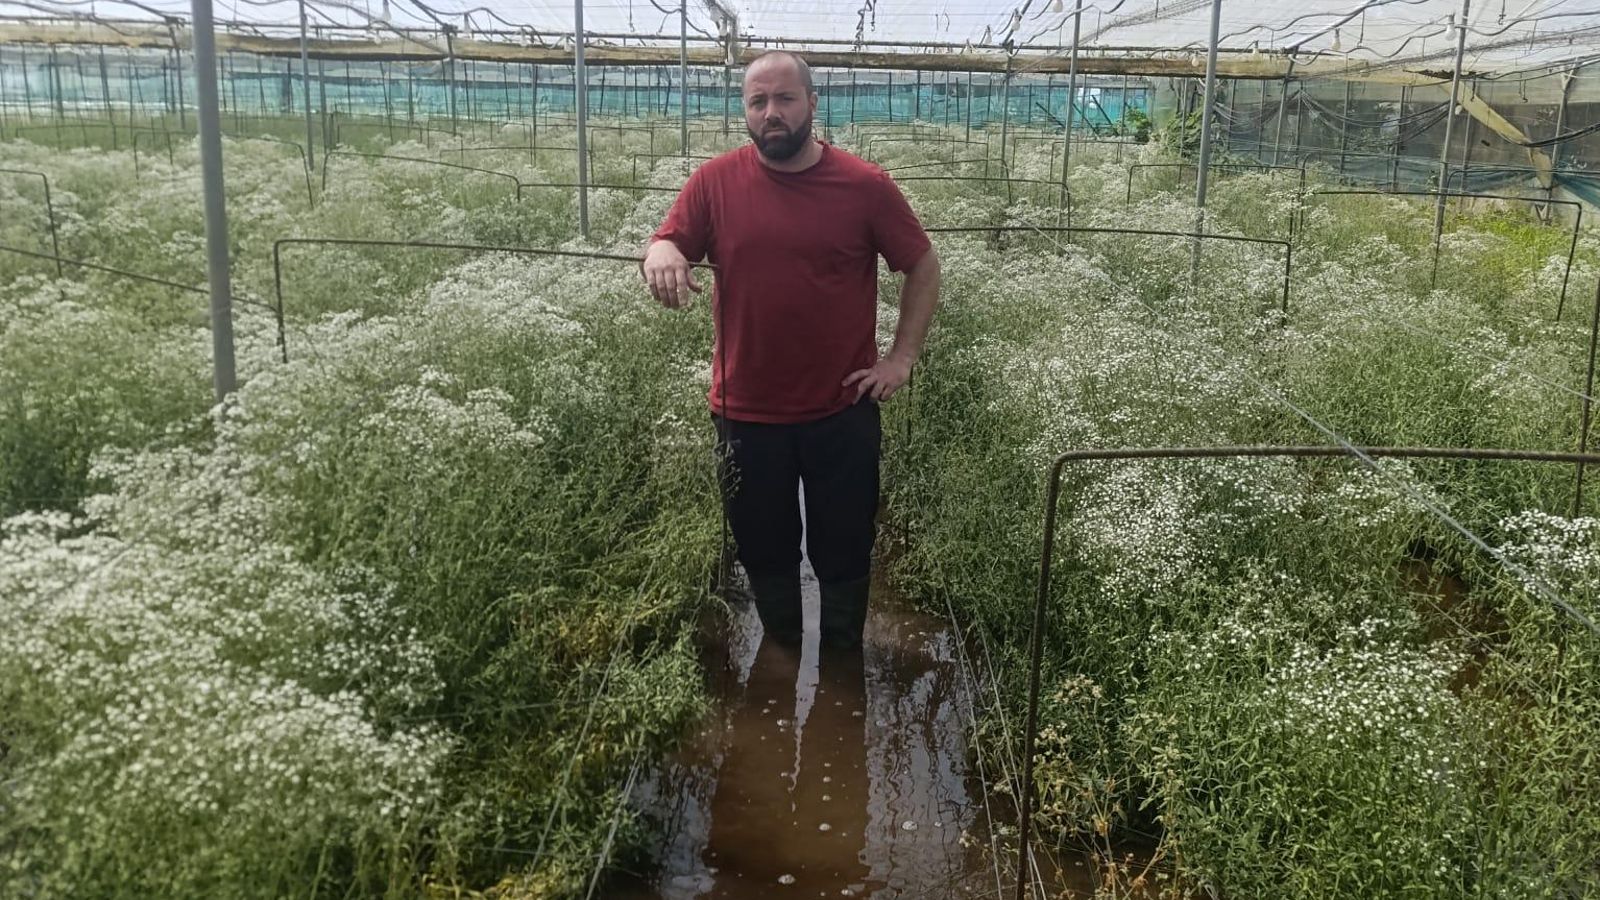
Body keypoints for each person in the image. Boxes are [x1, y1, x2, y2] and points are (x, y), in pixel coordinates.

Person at [641, 50, 940, 652]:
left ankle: (839, 659)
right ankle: (782, 654)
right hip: (745, 412)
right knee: (763, 547)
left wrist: (901, 358)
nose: (771, 112)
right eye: (758, 101)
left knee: (845, 546)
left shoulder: (864, 185)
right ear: (744, 110)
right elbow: (669, 240)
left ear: (812, 103)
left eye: (784, 98)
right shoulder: (713, 182)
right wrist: (663, 249)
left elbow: (923, 264)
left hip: (842, 410)